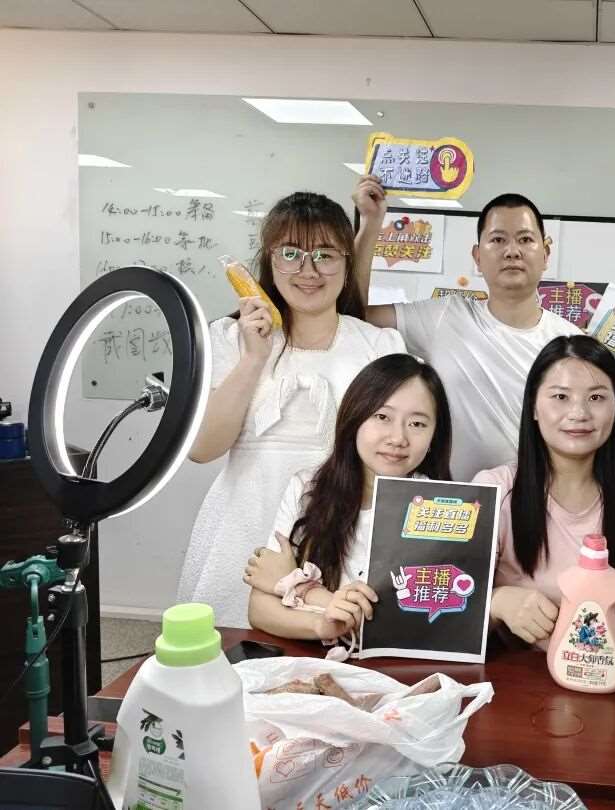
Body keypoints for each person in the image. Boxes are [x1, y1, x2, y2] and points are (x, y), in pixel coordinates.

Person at [178, 191, 406, 629]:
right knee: (233, 653)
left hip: (341, 532)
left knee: (336, 643)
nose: (308, 270)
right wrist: (253, 358)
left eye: (324, 255)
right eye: (290, 253)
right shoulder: (230, 337)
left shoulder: (377, 346)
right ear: (269, 259)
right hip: (243, 529)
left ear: (346, 262)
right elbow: (203, 449)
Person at [474, 335, 615, 676]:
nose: (579, 413)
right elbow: (453, 607)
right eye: (560, 397)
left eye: (596, 397)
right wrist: (496, 602)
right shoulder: (494, 489)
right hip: (512, 677)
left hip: (601, 679)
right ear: (533, 407)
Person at [351, 177, 580, 479]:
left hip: (535, 499)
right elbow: (354, 315)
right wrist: (371, 224)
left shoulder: (570, 342)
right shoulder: (444, 315)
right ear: (477, 257)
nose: (512, 251)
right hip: (444, 500)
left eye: (525, 239)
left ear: (546, 255)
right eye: (498, 240)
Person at [246, 354, 452, 640]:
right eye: (382, 417)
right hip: (314, 656)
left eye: (417, 424)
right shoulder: (307, 488)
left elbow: (416, 622)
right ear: (355, 418)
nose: (398, 438)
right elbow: (260, 609)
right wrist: (322, 624)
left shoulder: (441, 507)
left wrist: (304, 590)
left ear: (434, 436)